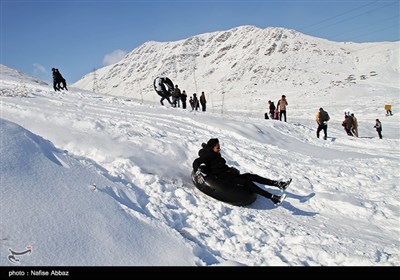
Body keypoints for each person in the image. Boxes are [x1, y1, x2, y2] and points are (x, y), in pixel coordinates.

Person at [192, 138, 292, 206]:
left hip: (229, 173)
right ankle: (273, 198)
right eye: (217, 147)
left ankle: (278, 184)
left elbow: (213, 157)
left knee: (251, 176)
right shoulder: (209, 156)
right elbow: (196, 161)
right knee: (247, 182)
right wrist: (198, 172)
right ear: (212, 148)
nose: (219, 148)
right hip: (225, 178)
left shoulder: (214, 153)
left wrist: (230, 169)